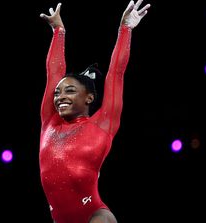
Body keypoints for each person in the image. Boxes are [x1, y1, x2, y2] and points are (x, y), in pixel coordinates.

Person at [39, 1, 150, 222]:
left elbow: (116, 73)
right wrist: (58, 32)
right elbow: (53, 73)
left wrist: (125, 29)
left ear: (89, 97)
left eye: (70, 91)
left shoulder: (103, 124)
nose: (60, 96)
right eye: (58, 92)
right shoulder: (49, 121)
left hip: (94, 215)